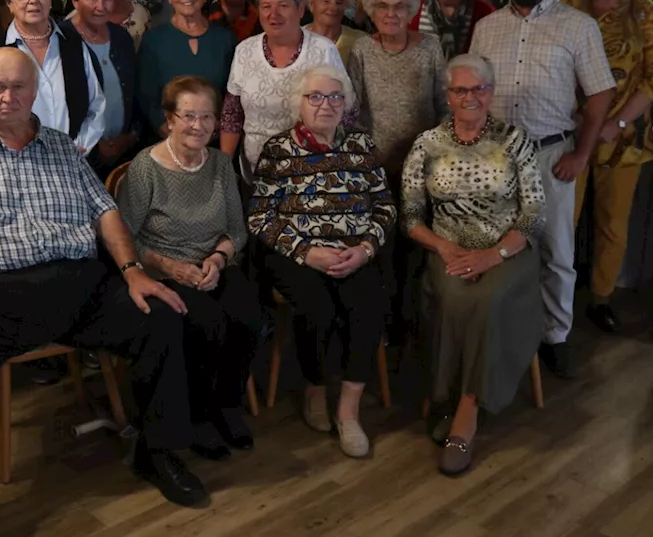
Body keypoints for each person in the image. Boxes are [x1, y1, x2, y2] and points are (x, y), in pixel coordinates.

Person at [0, 47, 206, 537]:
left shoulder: (62, 147)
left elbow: (105, 211)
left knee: (160, 315)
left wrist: (131, 271)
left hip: (77, 289)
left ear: (35, 90)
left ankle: (158, 453)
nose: (8, 97)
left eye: (18, 86)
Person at [468, 0, 616, 379]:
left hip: (552, 156)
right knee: (498, 247)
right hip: (495, 161)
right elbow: (472, 90)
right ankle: (508, 330)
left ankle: (556, 335)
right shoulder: (487, 27)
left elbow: (601, 93)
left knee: (556, 251)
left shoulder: (578, 26)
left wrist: (582, 154)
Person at [400, 54, 545, 476]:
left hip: (507, 249)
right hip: (447, 248)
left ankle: (466, 411)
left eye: (479, 89)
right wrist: (443, 248)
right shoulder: (427, 143)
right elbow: (409, 216)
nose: (470, 97)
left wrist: (494, 253)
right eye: (461, 89)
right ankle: (441, 395)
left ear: (491, 93)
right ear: (447, 95)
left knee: (488, 297)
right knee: (449, 294)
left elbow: (533, 211)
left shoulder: (514, 140)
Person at [249, 66, 395, 458]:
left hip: (354, 251)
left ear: (345, 105)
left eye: (334, 97)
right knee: (317, 307)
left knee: (368, 303)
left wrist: (364, 249)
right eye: (315, 96)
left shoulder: (361, 145)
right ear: (300, 103)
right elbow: (260, 216)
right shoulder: (279, 149)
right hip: (297, 253)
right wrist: (306, 253)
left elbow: (385, 207)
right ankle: (314, 387)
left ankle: (348, 410)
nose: (325, 104)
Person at [118, 76, 260, 459]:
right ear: (169, 120)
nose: (198, 125)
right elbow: (125, 237)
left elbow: (236, 230)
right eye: (188, 116)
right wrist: (171, 265)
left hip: (212, 264)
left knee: (249, 317)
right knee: (207, 323)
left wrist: (217, 258)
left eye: (207, 117)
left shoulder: (218, 164)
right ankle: (197, 419)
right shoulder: (146, 168)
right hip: (165, 270)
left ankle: (227, 408)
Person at [560, 0, 653, 335]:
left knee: (612, 223)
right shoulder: (570, 5)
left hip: (625, 138)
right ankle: (557, 297)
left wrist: (615, 123)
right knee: (562, 222)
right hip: (571, 133)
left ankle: (601, 298)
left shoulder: (643, 10)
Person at [220, 0, 354, 180]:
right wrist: (224, 167)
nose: (273, 14)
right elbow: (232, 115)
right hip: (257, 170)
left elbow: (346, 113)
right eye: (266, 7)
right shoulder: (244, 51)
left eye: (283, 5)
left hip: (313, 171)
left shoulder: (323, 50)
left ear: (300, 10)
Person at [0, 0, 107, 154]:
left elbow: (96, 105)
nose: (33, 0)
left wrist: (76, 149)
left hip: (74, 159)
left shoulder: (74, 44)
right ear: (9, 3)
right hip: (18, 162)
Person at [347, 0, 448, 184]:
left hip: (425, 161)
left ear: (410, 11)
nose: (390, 14)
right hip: (376, 162)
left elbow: (444, 104)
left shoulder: (431, 46)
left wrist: (437, 151)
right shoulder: (362, 49)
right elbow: (352, 108)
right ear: (372, 12)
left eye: (399, 6)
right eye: (382, 6)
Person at [136, 0, 236, 137]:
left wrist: (213, 129)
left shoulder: (225, 39)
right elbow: (147, 97)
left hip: (215, 140)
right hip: (167, 143)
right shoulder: (154, 39)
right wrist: (170, 133)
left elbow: (232, 97)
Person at [59, 0, 140, 174]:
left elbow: (136, 90)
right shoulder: (61, 40)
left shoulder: (121, 37)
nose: (101, 6)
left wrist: (129, 137)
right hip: (80, 155)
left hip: (125, 149)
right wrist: (95, 145)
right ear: (75, 1)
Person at [304, 0, 368, 66]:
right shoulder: (295, 38)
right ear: (312, 5)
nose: (333, 8)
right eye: (326, 1)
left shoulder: (361, 41)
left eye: (339, 2)